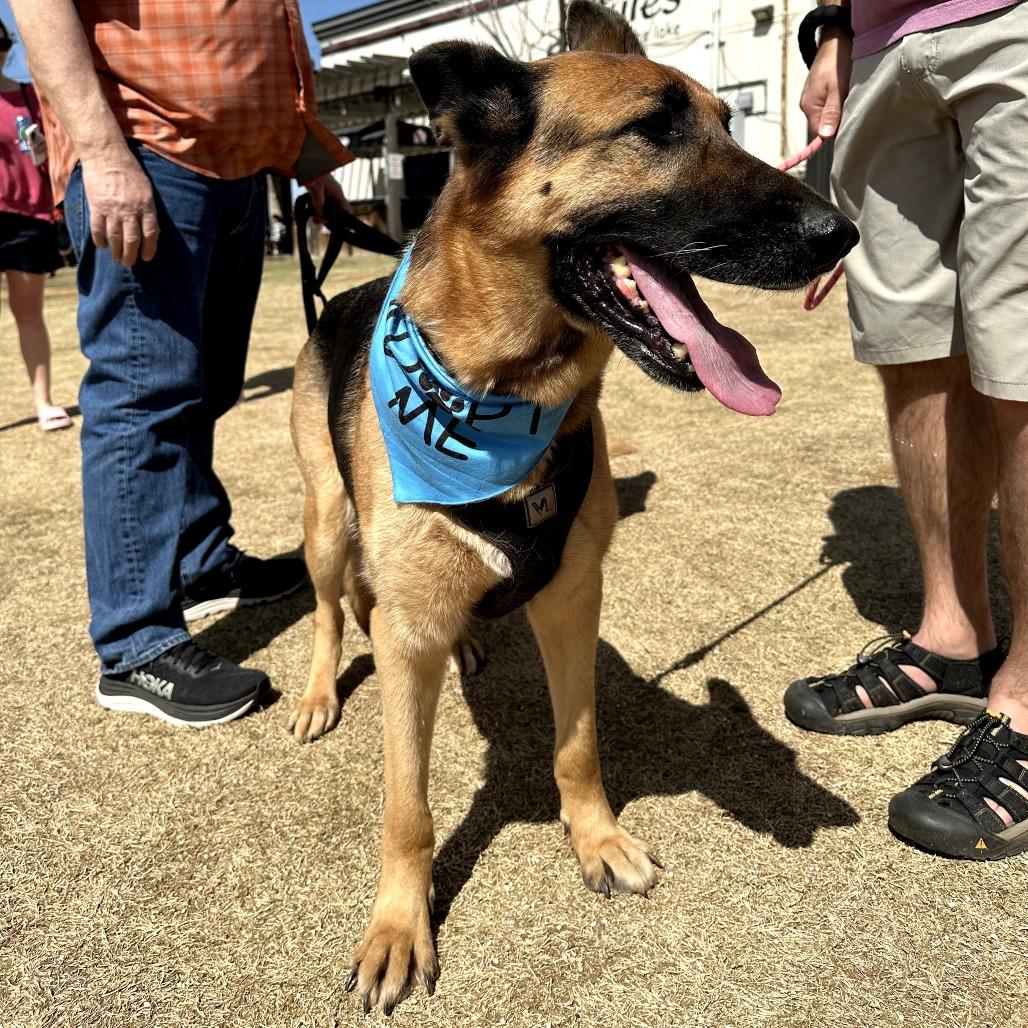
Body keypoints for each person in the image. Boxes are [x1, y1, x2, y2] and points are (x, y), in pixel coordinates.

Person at [9, 0, 353, 727]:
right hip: (146, 151)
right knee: (144, 396)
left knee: (209, 384)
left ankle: (201, 561)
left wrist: (308, 159)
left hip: (237, 169)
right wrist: (102, 154)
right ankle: (136, 645)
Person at [783, 0, 1028, 860]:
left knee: (1023, 352)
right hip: (884, 42)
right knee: (913, 344)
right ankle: (952, 639)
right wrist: (833, 27)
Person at [0, 18, 71, 432]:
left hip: (27, 216)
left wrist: (44, 153)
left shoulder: (29, 95)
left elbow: (50, 155)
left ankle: (44, 403)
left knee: (28, 311)